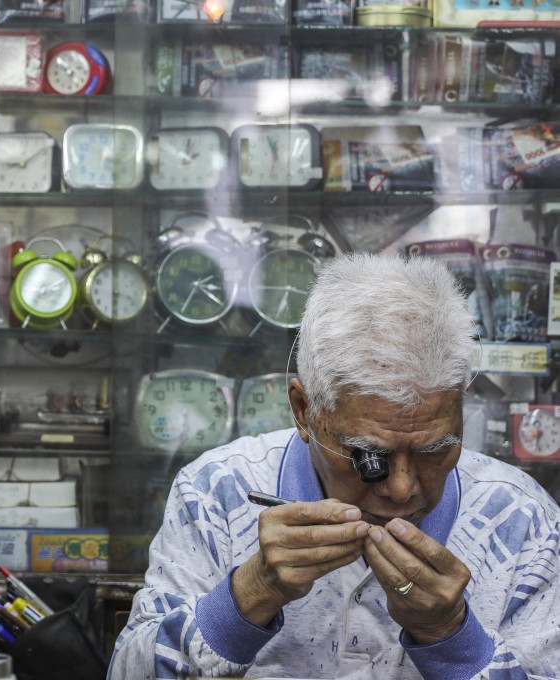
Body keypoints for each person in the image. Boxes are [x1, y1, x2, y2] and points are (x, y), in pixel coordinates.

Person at [109, 252, 560, 679]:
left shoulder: (520, 521)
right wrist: (249, 595)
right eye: (370, 458)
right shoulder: (218, 493)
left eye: (434, 451)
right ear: (304, 410)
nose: (402, 489)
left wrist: (450, 636)